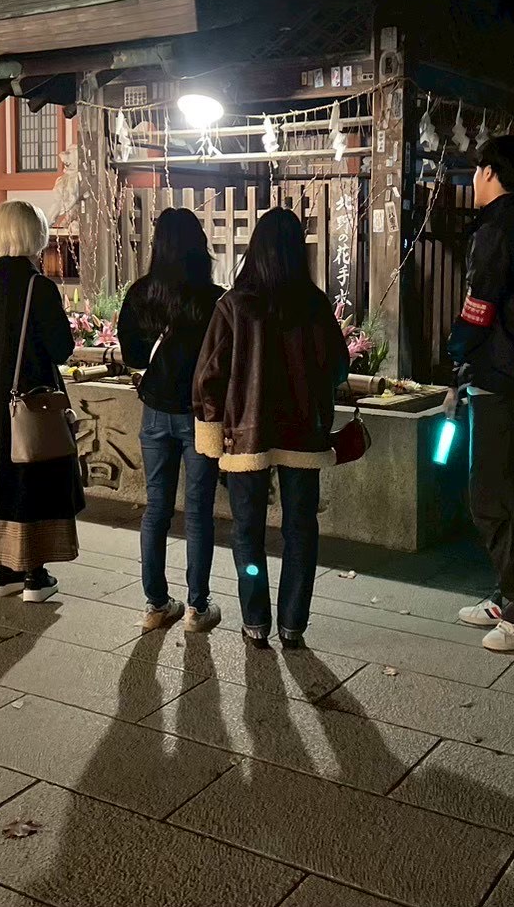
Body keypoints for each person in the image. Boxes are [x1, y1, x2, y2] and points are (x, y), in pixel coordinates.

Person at [193, 207, 348, 648]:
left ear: (254, 248)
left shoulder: (233, 306)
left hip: (248, 437)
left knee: (247, 532)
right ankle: (293, 624)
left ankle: (255, 622)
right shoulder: (315, 305)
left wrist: (213, 429)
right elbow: (337, 366)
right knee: (300, 530)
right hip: (303, 436)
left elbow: (207, 377)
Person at [446, 135, 514, 651]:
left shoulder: (498, 230)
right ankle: (508, 595)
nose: (474, 179)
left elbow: (480, 304)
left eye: (477, 170)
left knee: (496, 498)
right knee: (508, 492)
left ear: (490, 172)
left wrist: (456, 351)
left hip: (502, 379)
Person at [118, 208, 224, 633]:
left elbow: (133, 356)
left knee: (156, 508)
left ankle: (157, 603)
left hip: (156, 413)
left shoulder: (140, 294)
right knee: (198, 512)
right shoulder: (214, 299)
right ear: (199, 245)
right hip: (201, 416)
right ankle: (197, 608)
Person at [0, 200, 83, 600]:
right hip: (35, 397)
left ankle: (3, 569)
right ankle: (35, 573)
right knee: (36, 473)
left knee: (3, 473)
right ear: (35, 234)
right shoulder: (40, 286)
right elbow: (60, 348)